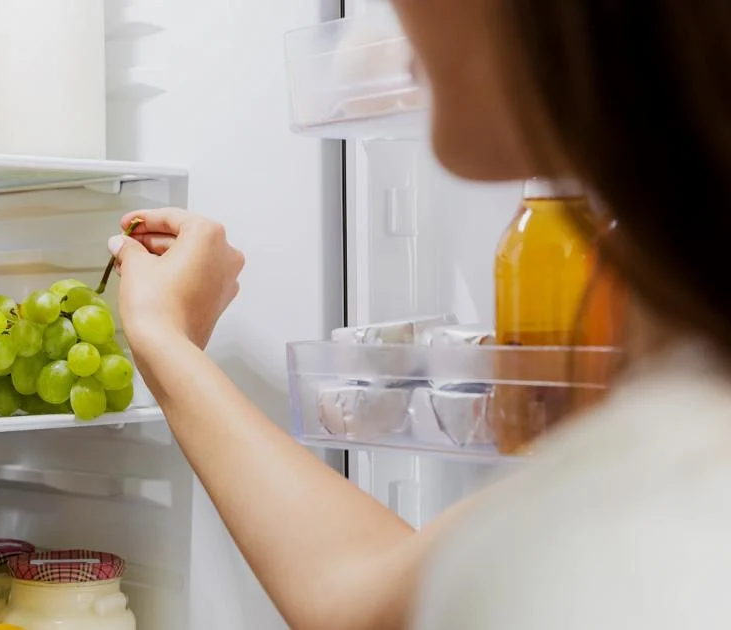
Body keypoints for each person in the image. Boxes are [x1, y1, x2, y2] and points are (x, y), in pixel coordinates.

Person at [106, 1, 731, 629]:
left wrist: (166, 339)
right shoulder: (668, 424)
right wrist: (167, 340)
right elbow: (359, 597)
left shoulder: (664, 503)